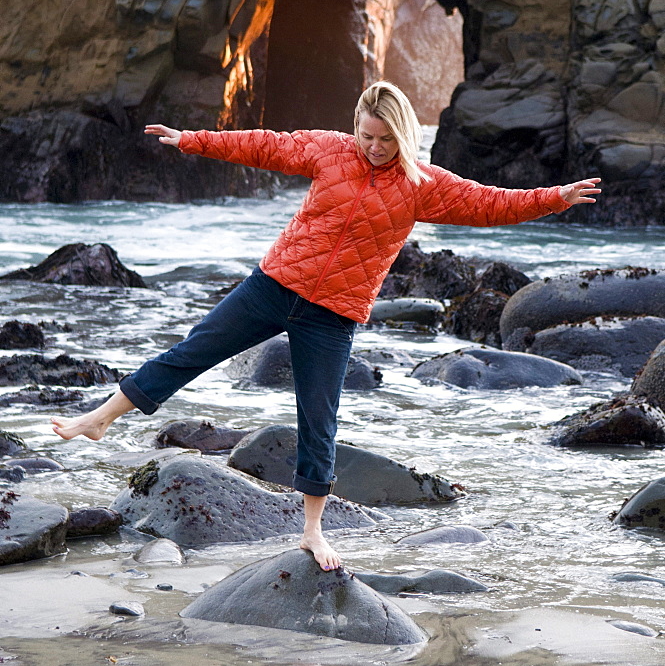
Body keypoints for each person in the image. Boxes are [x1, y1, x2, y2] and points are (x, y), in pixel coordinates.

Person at [52, 81, 601, 570]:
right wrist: (195, 139)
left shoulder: (421, 183)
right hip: (272, 286)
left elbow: (489, 204)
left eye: (386, 139)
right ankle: (100, 419)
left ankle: (312, 531)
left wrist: (555, 198)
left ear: (404, 135)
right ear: (355, 126)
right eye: (367, 135)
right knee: (191, 352)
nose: (375, 147)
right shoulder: (331, 150)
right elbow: (265, 145)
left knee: (319, 420)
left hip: (332, 315)